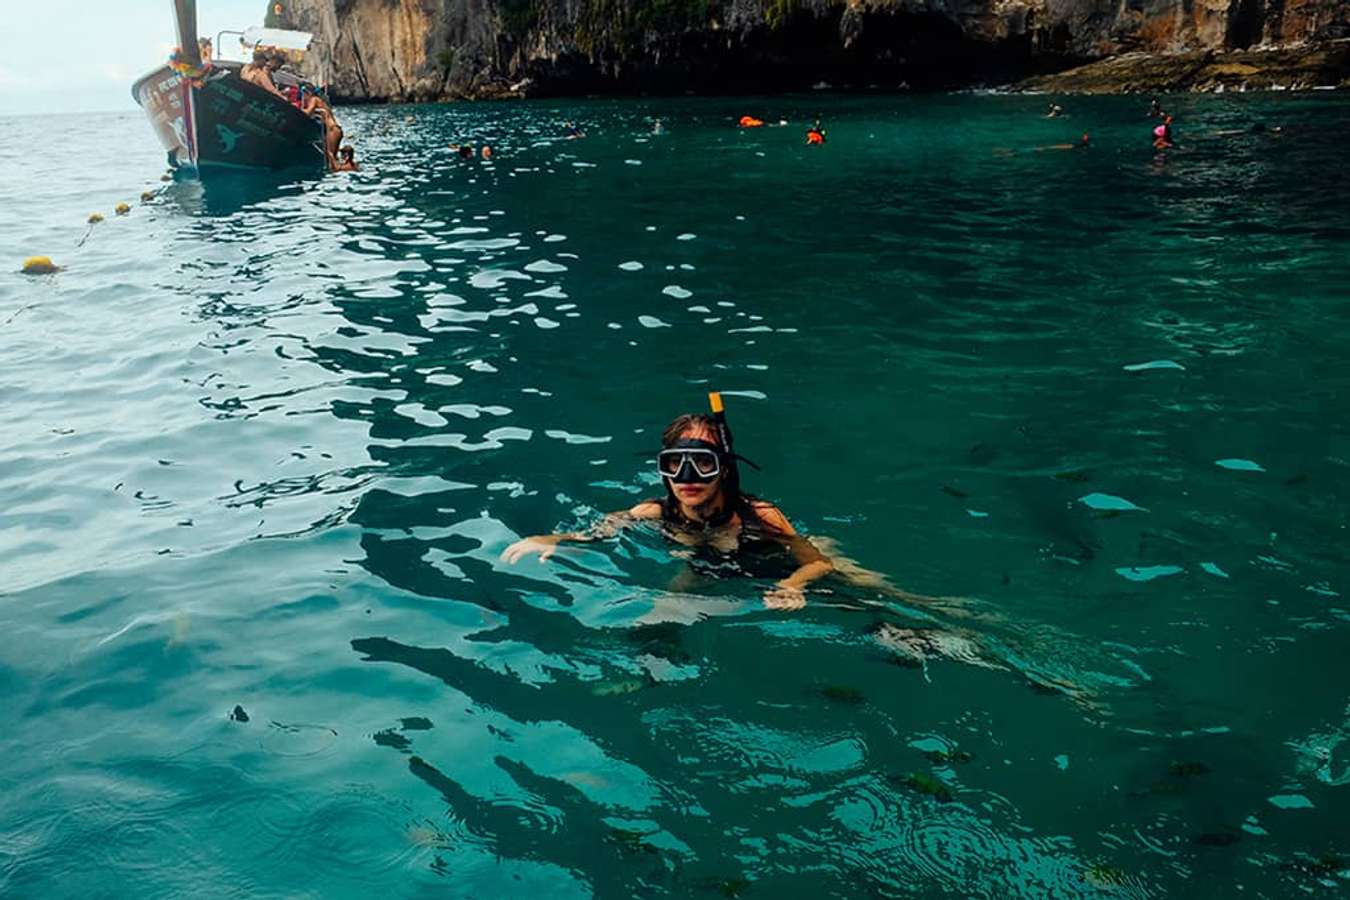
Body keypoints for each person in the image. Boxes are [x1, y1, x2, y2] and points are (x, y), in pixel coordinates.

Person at [502, 395, 834, 609]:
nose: (687, 478)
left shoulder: (761, 515)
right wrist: (552, 540)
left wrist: (793, 584)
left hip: (773, 563)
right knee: (664, 609)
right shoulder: (653, 512)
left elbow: (819, 563)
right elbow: (597, 531)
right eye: (675, 463)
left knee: (866, 588)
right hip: (709, 567)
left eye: (703, 463)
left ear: (724, 468)